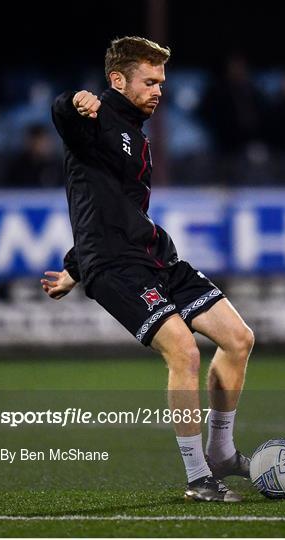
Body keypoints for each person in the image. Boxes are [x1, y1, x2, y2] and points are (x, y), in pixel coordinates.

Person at [41, 36, 255, 502]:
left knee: (239, 339)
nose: (159, 90)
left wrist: (72, 269)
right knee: (184, 351)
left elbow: (108, 207)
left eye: (162, 81)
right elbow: (64, 117)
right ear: (118, 81)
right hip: (118, 266)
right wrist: (72, 101)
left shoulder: (135, 132)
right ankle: (199, 477)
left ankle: (221, 451)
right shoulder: (97, 118)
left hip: (154, 254)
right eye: (149, 81)